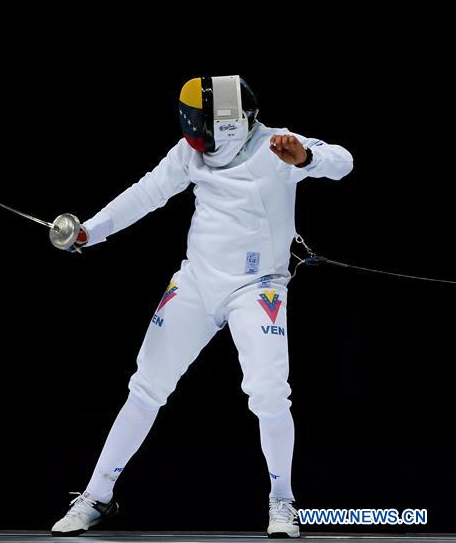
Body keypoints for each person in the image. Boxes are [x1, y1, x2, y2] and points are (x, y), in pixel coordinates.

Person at [50, 76, 353, 538]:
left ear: (229, 125)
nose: (190, 129)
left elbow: (344, 161)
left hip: (258, 288)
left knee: (269, 393)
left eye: (197, 121)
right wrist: (90, 231)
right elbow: (146, 193)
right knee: (146, 385)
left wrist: (308, 158)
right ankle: (96, 496)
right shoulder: (189, 154)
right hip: (196, 282)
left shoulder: (276, 147)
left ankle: (282, 502)